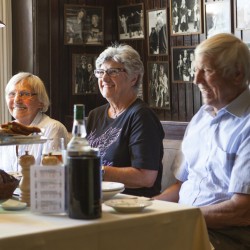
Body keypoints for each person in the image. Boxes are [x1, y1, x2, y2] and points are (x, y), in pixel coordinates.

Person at [154, 33, 250, 250]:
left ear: (237, 74)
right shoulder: (201, 118)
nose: (196, 79)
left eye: (206, 71)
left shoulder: (247, 125)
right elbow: (180, 186)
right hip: (186, 224)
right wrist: (148, 207)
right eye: (195, 70)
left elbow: (242, 211)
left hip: (230, 236)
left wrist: (177, 217)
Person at [86, 44, 164, 197]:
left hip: (131, 204)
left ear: (133, 78)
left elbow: (146, 177)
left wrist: (96, 170)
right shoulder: (95, 115)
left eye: (113, 72)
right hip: (94, 197)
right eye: (101, 72)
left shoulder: (141, 116)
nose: (104, 78)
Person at [0, 72, 70, 172]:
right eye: (12, 94)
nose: (16, 100)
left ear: (41, 102)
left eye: (24, 94)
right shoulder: (5, 132)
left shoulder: (53, 128)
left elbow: (51, 175)